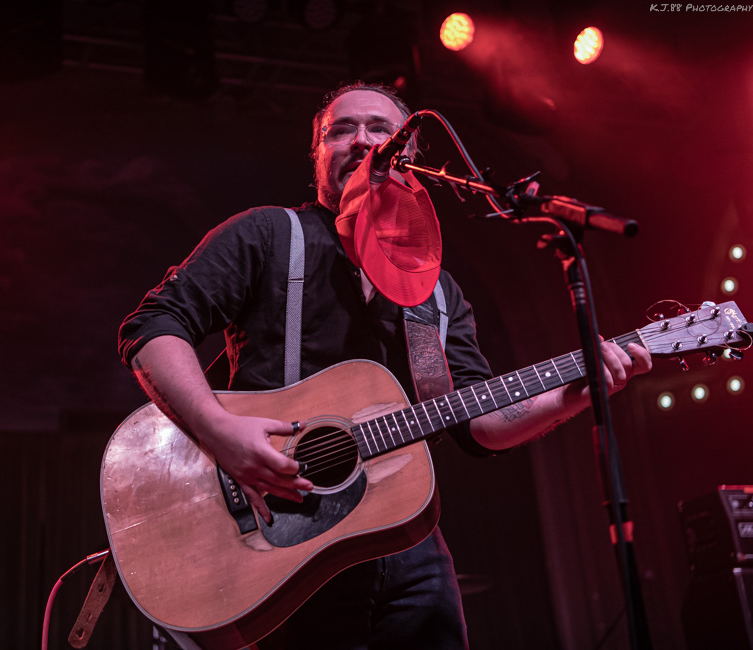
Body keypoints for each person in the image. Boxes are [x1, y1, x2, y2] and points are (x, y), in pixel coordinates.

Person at [117, 81, 651, 649]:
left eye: (380, 130)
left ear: (412, 156)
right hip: (281, 535)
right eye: (341, 130)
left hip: (403, 542)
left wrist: (579, 391)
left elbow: (477, 422)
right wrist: (219, 431)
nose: (363, 140)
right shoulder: (269, 235)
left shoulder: (437, 292)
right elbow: (152, 327)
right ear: (318, 156)